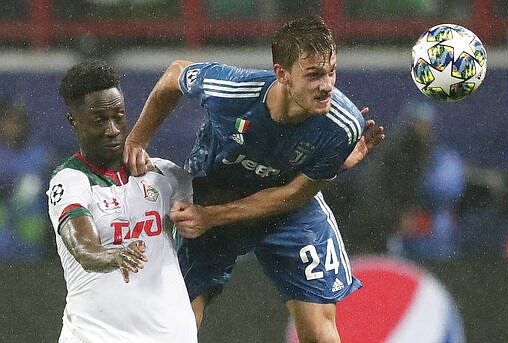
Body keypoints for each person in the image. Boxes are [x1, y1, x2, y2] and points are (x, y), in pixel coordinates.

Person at [124, 16, 385, 342]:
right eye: (314, 75)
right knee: (176, 324)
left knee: (321, 334)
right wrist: (136, 140)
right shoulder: (232, 91)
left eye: (331, 71)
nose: (328, 85)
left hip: (288, 209)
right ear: (282, 74)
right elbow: (174, 74)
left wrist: (332, 163)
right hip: (213, 192)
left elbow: (295, 195)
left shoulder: (343, 125)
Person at [47, 59, 197, 342]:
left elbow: (209, 215)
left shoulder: (164, 175)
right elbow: (84, 249)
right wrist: (114, 254)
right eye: (99, 120)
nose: (113, 129)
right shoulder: (69, 181)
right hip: (96, 335)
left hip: (170, 335)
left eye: (118, 116)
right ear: (73, 121)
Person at [0, 98, 50, 260]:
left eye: (18, 122)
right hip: (3, 240)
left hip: (31, 243)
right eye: (9, 121)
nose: (13, 127)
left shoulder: (39, 156)